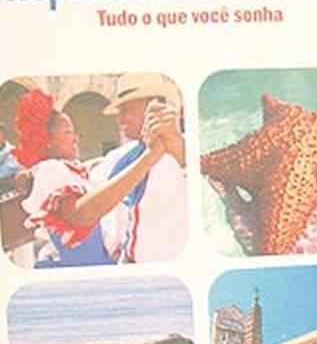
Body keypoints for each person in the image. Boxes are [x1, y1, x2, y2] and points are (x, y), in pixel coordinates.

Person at [12, 89, 173, 267]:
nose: (76, 138)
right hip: (83, 261)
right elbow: (77, 221)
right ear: (47, 140)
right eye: (68, 132)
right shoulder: (51, 170)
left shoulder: (70, 170)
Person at [91, 72, 187, 263]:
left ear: (155, 105)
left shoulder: (187, 150)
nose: (120, 120)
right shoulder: (121, 157)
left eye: (127, 110)